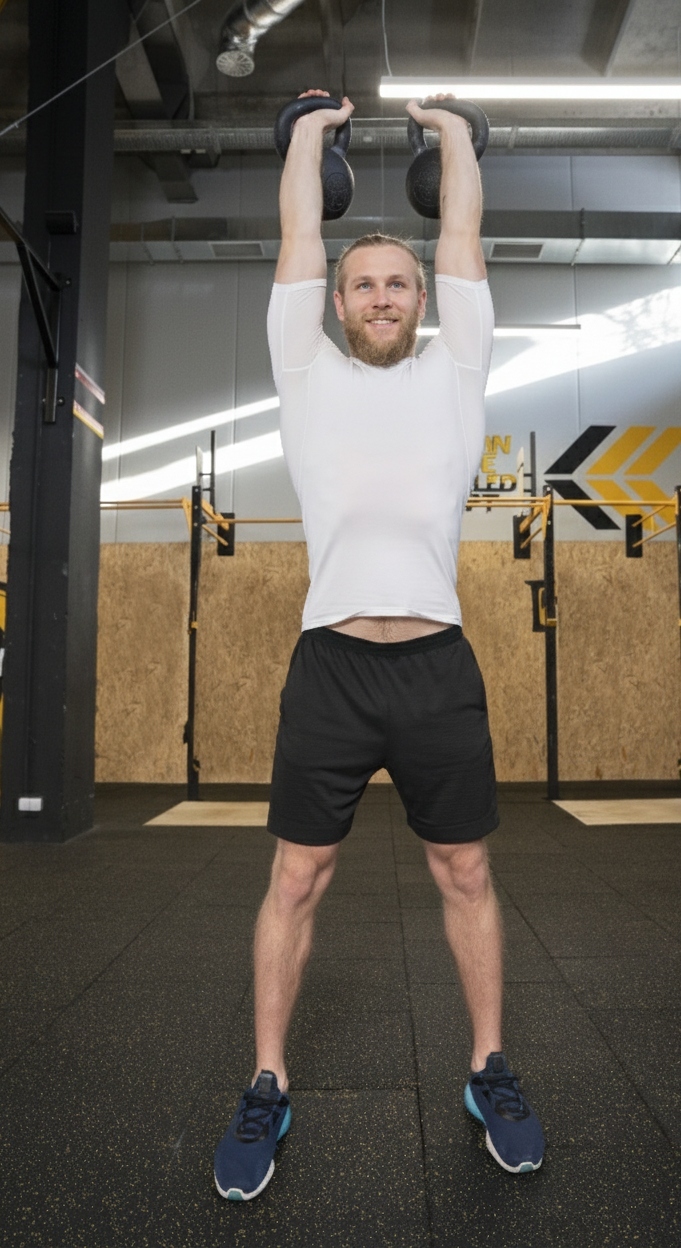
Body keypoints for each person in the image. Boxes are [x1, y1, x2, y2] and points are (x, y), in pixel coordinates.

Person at [213, 89, 545, 1202]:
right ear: (340, 306)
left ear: (422, 302)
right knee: (297, 876)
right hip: (333, 667)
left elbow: (462, 237)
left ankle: (488, 1066)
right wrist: (311, 134)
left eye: (400, 283)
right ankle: (267, 1080)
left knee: (465, 868)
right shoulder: (306, 381)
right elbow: (301, 236)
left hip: (439, 665)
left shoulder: (459, 378)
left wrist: (449, 136)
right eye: (365, 284)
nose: (385, 294)